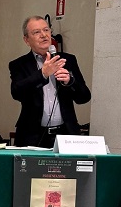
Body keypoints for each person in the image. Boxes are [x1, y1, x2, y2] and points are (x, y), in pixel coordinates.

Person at [9, 16, 91, 147]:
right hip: (32, 136)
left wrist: (70, 81)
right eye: (37, 32)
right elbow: (17, 93)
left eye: (46, 30)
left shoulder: (68, 60)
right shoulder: (19, 64)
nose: (43, 35)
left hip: (65, 134)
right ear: (26, 40)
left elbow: (84, 97)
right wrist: (42, 74)